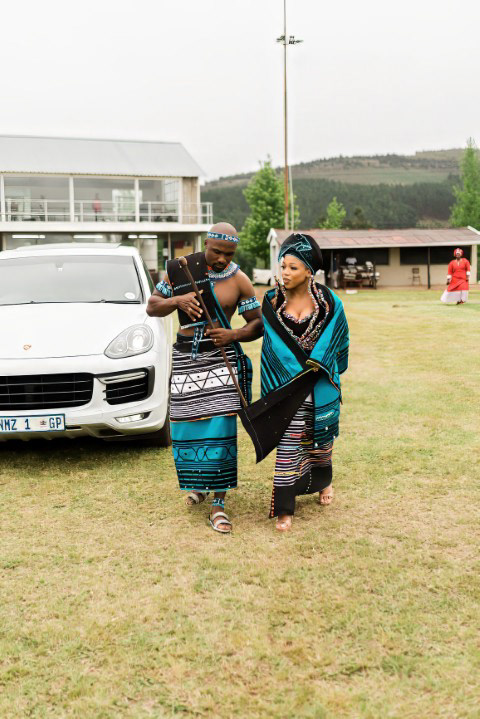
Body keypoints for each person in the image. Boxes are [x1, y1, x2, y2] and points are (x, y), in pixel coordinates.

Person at [147, 222, 263, 533]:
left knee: (221, 429)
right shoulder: (181, 271)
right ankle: (199, 484)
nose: (223, 259)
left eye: (229, 254)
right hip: (186, 359)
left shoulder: (240, 280)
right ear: (205, 245)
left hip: (221, 360)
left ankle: (219, 503)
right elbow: (152, 306)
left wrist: (233, 334)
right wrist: (177, 300)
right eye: (217, 252)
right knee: (188, 426)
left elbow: (257, 324)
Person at [260, 233, 349, 532]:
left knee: (321, 442)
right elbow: (272, 347)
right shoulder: (272, 301)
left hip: (321, 383)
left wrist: (320, 367)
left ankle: (324, 482)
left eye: (293, 267)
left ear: (310, 271)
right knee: (288, 444)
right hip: (287, 387)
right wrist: (294, 375)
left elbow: (339, 339)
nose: (285, 272)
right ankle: (285, 508)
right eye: (283, 266)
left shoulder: (330, 303)